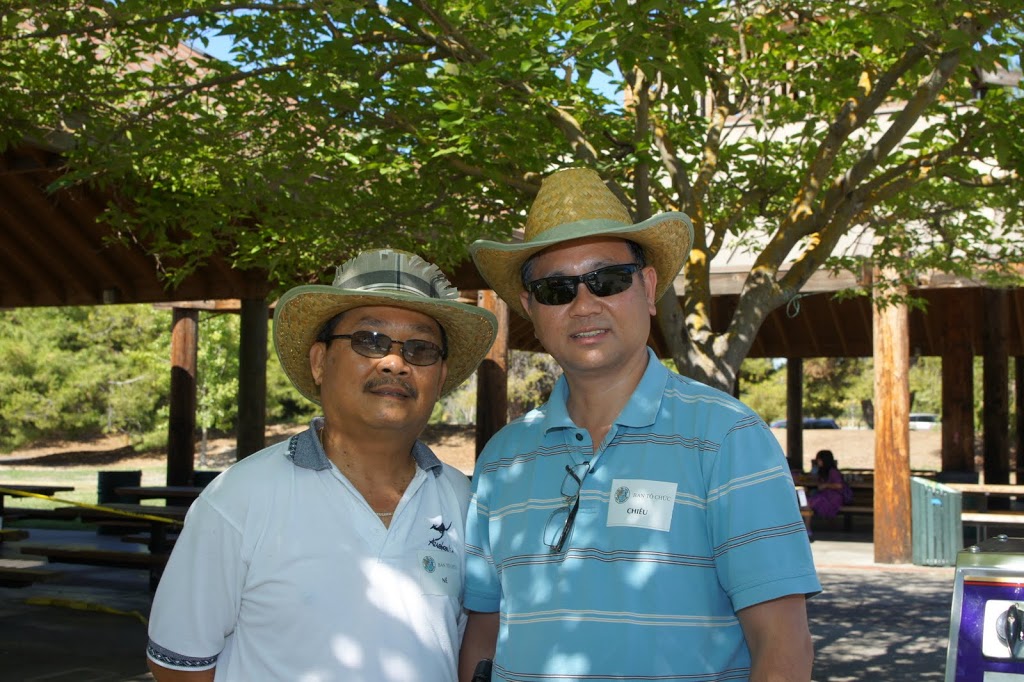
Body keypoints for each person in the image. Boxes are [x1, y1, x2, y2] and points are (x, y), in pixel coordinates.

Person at [459, 168, 821, 681]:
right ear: (531, 311)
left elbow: (783, 646)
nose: (584, 305)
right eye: (556, 289)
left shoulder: (728, 438)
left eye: (608, 280)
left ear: (648, 288)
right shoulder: (502, 459)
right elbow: (484, 630)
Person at [146, 248, 498, 681]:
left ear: (439, 379)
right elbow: (178, 666)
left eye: (421, 349)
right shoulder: (239, 499)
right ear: (319, 362)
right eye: (370, 340)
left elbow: (467, 649)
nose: (395, 363)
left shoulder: (463, 502)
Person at [808, 449, 849, 520]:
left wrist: (826, 485)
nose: (818, 462)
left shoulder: (833, 472)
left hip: (832, 498)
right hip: (825, 495)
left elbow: (839, 485)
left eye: (819, 460)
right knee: (808, 501)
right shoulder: (822, 471)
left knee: (810, 503)